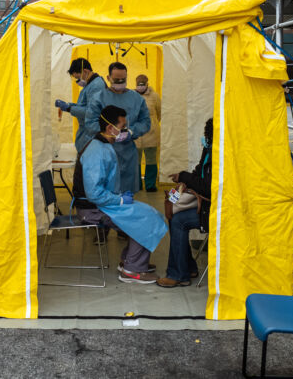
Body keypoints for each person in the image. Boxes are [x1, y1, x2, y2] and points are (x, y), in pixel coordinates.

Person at [77, 105, 167, 284]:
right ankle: (132, 270)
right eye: (123, 127)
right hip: (93, 209)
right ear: (110, 128)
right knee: (145, 219)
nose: (125, 131)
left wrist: (118, 195)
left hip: (104, 203)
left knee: (150, 213)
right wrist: (119, 200)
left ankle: (130, 261)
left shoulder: (103, 145)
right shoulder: (96, 151)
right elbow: (93, 193)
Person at [157, 118, 213, 288]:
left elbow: (208, 188)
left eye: (207, 135)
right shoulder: (209, 150)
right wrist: (184, 180)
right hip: (207, 204)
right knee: (173, 214)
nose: (204, 138)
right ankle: (187, 268)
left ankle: (178, 274)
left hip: (218, 210)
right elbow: (198, 172)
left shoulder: (221, 155)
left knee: (178, 221)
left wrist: (184, 176)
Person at [85, 62, 150, 193]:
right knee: (107, 191)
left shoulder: (137, 99)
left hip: (128, 153)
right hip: (105, 151)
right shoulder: (99, 98)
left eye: (123, 80)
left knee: (127, 194)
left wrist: (131, 131)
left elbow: (145, 122)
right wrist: (110, 133)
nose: (120, 83)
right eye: (116, 80)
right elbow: (90, 123)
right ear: (108, 78)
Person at [55, 58, 106, 153]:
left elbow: (92, 112)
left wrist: (70, 108)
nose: (78, 81)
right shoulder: (90, 85)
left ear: (85, 71)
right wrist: (68, 105)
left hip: (91, 133)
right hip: (86, 131)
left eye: (78, 78)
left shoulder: (96, 86)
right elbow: (85, 105)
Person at [134, 74, 161, 192]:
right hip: (136, 133)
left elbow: (159, 113)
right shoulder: (131, 95)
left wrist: (153, 123)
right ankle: (137, 184)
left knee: (151, 159)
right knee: (135, 160)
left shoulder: (154, 96)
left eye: (142, 84)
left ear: (147, 84)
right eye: (138, 84)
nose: (140, 87)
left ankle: (150, 185)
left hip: (151, 133)